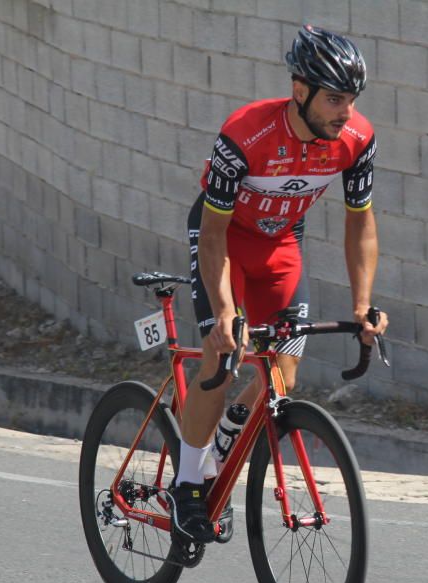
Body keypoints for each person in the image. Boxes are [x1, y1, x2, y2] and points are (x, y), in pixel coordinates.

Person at [165, 25, 389, 544]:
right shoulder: (246, 134)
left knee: (282, 373)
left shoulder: (356, 140)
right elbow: (215, 233)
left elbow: (362, 223)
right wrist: (224, 312)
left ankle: (225, 434)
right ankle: (187, 485)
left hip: (280, 247)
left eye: (351, 100)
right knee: (220, 361)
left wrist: (361, 304)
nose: (345, 112)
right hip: (225, 243)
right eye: (335, 99)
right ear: (300, 90)